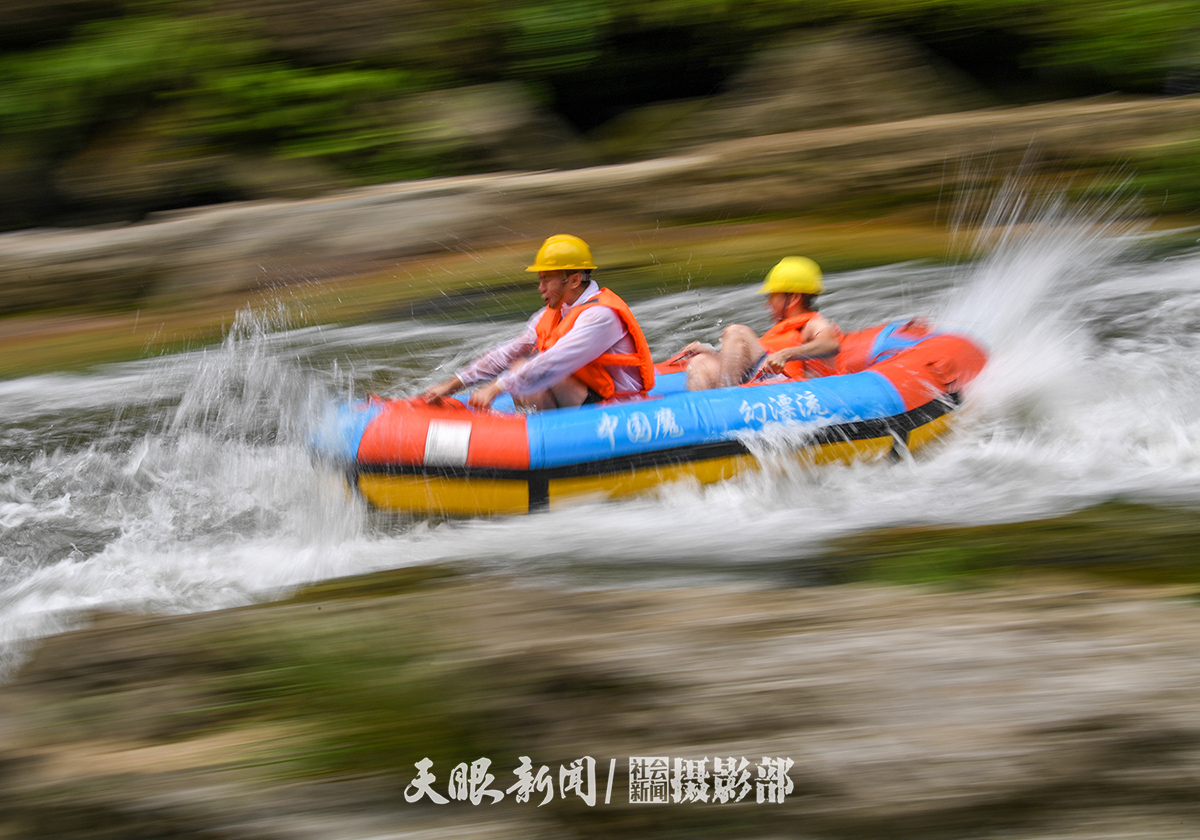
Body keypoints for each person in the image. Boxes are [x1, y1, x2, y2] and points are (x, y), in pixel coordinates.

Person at [420, 234, 655, 410]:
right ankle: (535, 444)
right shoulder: (551, 313)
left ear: (573, 280)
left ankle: (546, 449)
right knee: (518, 367)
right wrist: (451, 385)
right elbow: (506, 353)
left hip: (620, 408)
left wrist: (496, 387)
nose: (540, 288)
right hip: (583, 399)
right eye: (539, 280)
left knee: (528, 371)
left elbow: (553, 361)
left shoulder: (601, 316)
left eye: (546, 280)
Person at [680, 256, 841, 391]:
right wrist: (710, 353)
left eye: (772, 297)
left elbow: (830, 344)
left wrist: (785, 354)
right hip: (763, 381)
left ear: (793, 298)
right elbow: (741, 364)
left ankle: (725, 400)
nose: (768, 304)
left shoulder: (814, 323)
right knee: (699, 362)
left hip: (791, 389)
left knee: (737, 333)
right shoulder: (783, 329)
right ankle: (707, 417)